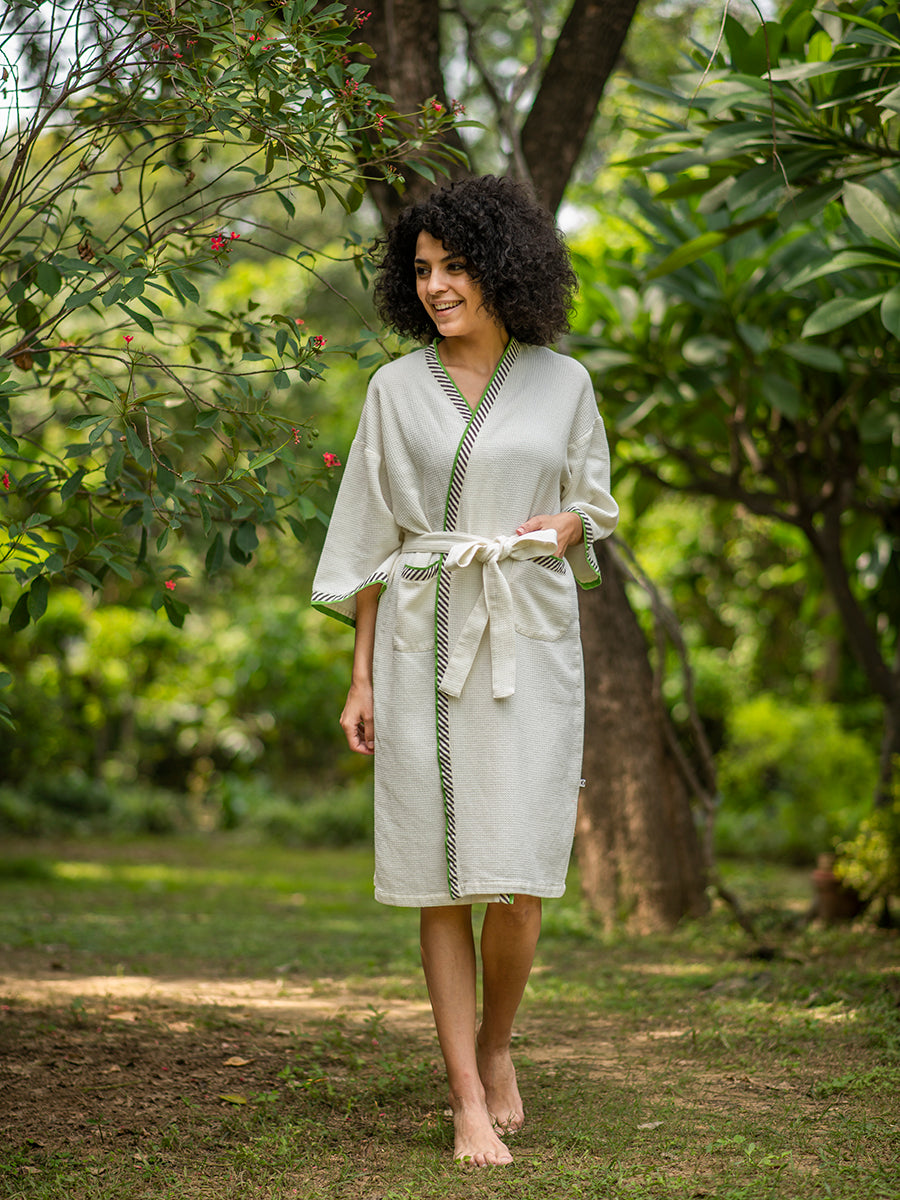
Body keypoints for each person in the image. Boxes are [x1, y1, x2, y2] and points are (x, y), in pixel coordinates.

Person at [311, 174, 618, 1166]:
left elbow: (593, 504)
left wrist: (567, 525)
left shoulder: (564, 382)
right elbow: (370, 542)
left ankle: (497, 1043)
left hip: (527, 634)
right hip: (421, 637)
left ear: (503, 266)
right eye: (422, 270)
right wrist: (360, 678)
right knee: (441, 880)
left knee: (519, 883)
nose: (437, 285)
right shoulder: (395, 390)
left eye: (455, 266)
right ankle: (465, 1099)